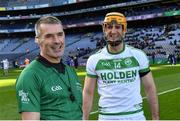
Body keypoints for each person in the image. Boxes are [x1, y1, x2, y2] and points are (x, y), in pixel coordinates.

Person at [83, 12, 159, 120]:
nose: (113, 31)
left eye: (117, 27)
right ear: (104, 29)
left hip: (135, 116)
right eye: (109, 27)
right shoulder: (94, 60)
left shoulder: (138, 56)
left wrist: (156, 117)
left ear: (124, 30)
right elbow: (88, 92)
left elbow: (150, 88)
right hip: (107, 118)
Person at [16, 16, 82, 120]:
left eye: (60, 34)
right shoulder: (29, 76)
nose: (57, 41)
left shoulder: (71, 71)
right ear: (37, 40)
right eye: (49, 36)